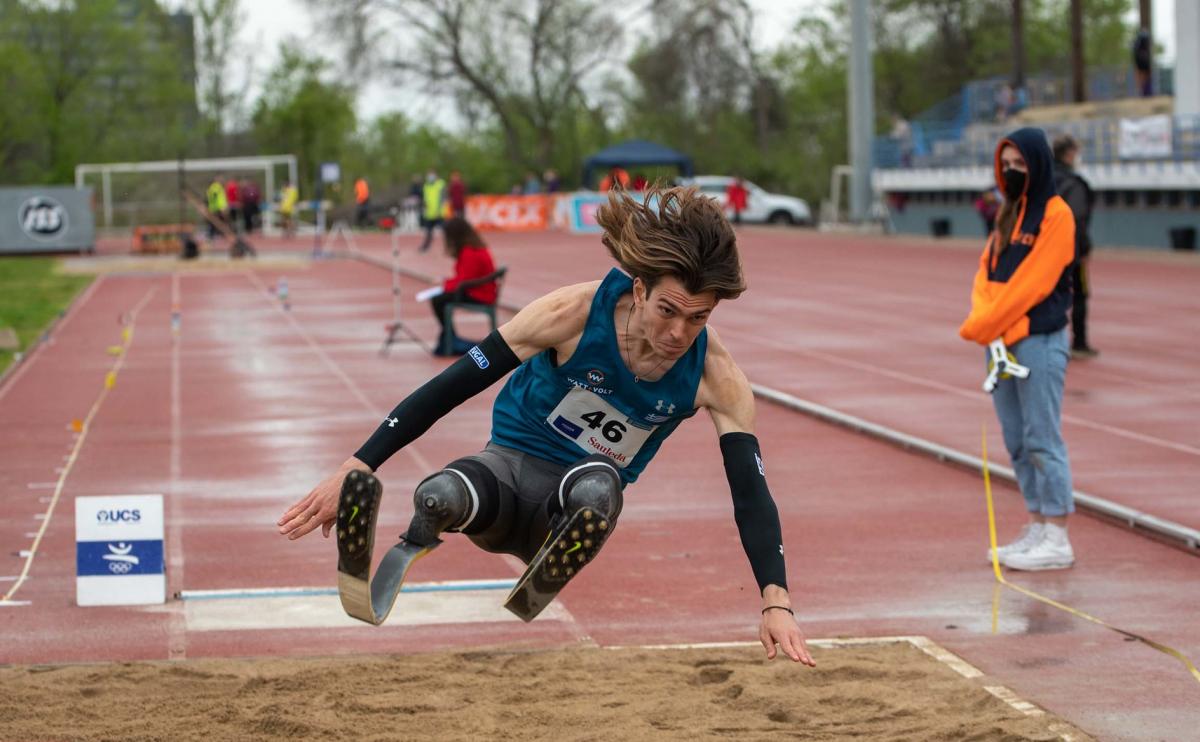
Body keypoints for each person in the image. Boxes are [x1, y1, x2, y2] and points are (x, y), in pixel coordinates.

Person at [278, 186, 815, 665]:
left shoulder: (717, 379)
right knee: (441, 492)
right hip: (505, 472)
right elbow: (452, 385)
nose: (679, 333)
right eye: (668, 310)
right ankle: (421, 528)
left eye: (699, 318)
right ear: (639, 286)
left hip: (570, 505)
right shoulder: (571, 314)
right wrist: (358, 464)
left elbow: (752, 493)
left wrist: (777, 602)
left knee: (599, 489)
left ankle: (553, 553)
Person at [959, 128, 1077, 571]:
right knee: (1017, 440)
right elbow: (986, 276)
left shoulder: (1057, 215)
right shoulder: (1007, 214)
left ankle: (1058, 533)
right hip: (1000, 343)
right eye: (1005, 164)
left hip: (1038, 340)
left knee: (1042, 438)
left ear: (1038, 164)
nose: (1011, 172)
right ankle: (1036, 523)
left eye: (1019, 165)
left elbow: (1033, 284)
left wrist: (985, 323)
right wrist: (984, 323)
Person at [1051, 134, 1098, 359]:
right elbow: (1076, 219)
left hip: (1042, 250)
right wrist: (1084, 249)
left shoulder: (1043, 180)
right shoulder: (1074, 183)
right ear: (1069, 154)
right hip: (1071, 249)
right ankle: (1079, 342)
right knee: (1079, 294)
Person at [430, 217, 498, 356]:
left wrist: (444, 285)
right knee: (440, 299)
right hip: (479, 290)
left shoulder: (470, 252)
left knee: (439, 300)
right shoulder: (473, 249)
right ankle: (450, 338)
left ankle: (450, 339)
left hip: (480, 295)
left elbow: (464, 280)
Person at [418, 169, 446, 252]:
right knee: (428, 231)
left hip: (439, 213)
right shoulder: (426, 186)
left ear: (436, 175)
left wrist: (439, 210)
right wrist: (424, 206)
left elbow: (443, 198)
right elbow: (425, 198)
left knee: (445, 231)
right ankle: (426, 246)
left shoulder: (440, 184)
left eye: (432, 175)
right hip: (429, 213)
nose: (430, 177)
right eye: (429, 175)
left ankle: (451, 245)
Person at [205, 175, 228, 243]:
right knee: (217, 223)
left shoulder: (216, 187)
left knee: (216, 224)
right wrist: (221, 207)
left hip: (216, 208)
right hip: (217, 208)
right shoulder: (216, 187)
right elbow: (214, 197)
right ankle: (212, 237)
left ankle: (213, 236)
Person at [1132, 28, 1152, 97]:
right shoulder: (1142, 41)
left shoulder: (1138, 41)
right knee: (1142, 76)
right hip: (1142, 60)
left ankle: (1143, 91)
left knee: (1142, 76)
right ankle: (1143, 91)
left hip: (1141, 60)